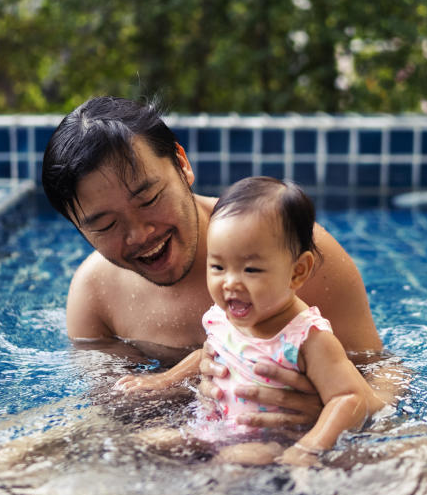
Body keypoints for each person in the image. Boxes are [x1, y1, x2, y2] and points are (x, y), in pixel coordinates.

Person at [41, 96, 403, 428]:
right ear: (79, 228)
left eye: (149, 198)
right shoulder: (95, 296)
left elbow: (385, 375)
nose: (140, 233)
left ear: (182, 165)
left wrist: (328, 415)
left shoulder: (287, 254)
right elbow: (116, 418)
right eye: (106, 225)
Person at [114, 176, 383, 466]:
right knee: (140, 444)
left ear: (297, 272)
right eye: (218, 266)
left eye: (251, 269)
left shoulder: (306, 338)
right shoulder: (223, 318)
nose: (230, 283)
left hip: (272, 440)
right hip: (213, 428)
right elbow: (207, 355)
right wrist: (164, 381)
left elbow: (349, 397)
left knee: (232, 462)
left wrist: (308, 447)